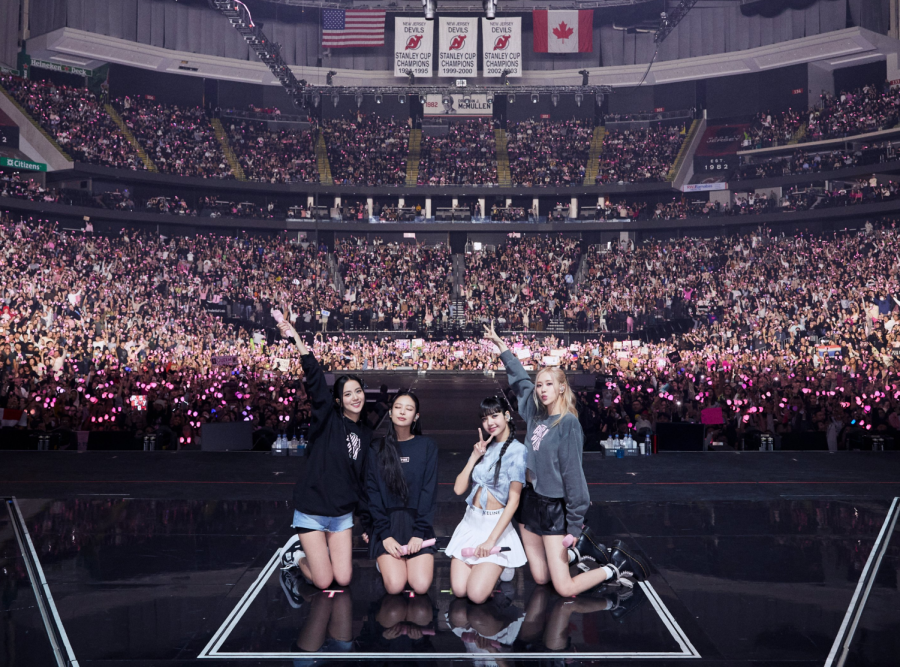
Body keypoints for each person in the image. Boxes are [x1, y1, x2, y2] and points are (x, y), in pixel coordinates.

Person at [483, 322, 648, 597]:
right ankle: (577, 555)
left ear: (561, 388)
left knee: (563, 587)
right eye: (539, 385)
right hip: (528, 503)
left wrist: (574, 525)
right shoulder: (536, 415)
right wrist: (503, 350)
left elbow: (574, 476)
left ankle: (616, 564)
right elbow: (522, 384)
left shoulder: (568, 424)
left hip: (551, 507)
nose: (542, 389)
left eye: (549, 384)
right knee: (539, 577)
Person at [277, 321, 372, 593]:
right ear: (338, 401)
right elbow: (316, 378)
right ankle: (297, 557)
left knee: (342, 579)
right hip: (312, 511)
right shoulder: (328, 420)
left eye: (358, 391)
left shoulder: (365, 432)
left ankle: (318, 555)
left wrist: (366, 520)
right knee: (322, 582)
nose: (355, 397)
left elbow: (362, 481)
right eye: (347, 394)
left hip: (342, 515)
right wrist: (296, 337)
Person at [445, 395, 528, 603]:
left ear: (507, 416)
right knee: (459, 590)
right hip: (470, 523)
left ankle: (499, 569)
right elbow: (457, 489)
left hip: (495, 529)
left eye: (495, 415)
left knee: (476, 595)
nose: (490, 422)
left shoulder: (518, 451)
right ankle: (490, 572)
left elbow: (514, 502)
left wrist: (491, 540)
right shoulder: (485, 448)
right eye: (484, 418)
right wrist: (474, 456)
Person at [366, 390, 438, 595]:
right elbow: (372, 491)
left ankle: (400, 564)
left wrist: (419, 533)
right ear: (390, 413)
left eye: (409, 408)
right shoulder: (377, 447)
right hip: (387, 525)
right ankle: (385, 564)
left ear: (416, 416)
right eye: (398, 407)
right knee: (395, 586)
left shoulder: (427, 446)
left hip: (417, 524)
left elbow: (429, 491)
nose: (402, 412)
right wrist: (385, 535)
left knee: (421, 586)